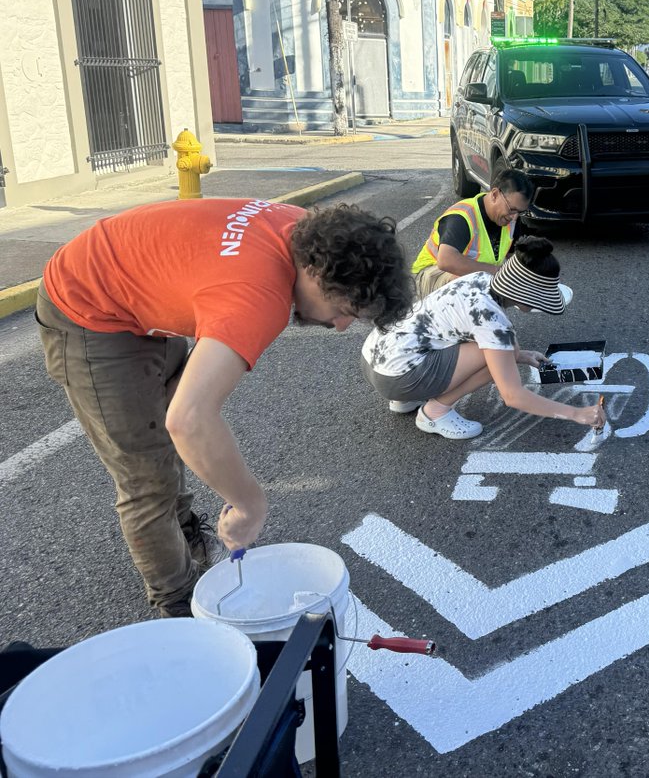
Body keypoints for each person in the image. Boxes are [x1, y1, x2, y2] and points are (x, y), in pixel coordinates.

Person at [35, 199, 412, 617]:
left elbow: (186, 405)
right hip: (88, 305)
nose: (341, 326)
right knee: (146, 476)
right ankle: (179, 607)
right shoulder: (258, 296)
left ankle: (182, 533)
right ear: (316, 273)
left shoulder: (314, 233)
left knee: (163, 424)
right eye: (343, 312)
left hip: (136, 277)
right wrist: (250, 505)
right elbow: (190, 420)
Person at [362, 236, 604, 440]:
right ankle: (435, 412)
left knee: (498, 351)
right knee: (494, 361)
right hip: (398, 379)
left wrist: (521, 355)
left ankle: (404, 400)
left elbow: (490, 333)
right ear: (525, 296)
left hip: (375, 358)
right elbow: (513, 396)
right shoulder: (493, 322)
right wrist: (578, 414)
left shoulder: (480, 279)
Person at [410, 169, 534, 300]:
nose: (514, 217)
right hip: (430, 276)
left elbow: (512, 256)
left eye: (520, 212)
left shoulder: (510, 218)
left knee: (499, 288)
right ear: (495, 195)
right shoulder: (462, 217)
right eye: (511, 209)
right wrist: (498, 272)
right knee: (478, 285)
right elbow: (446, 261)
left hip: (469, 275)